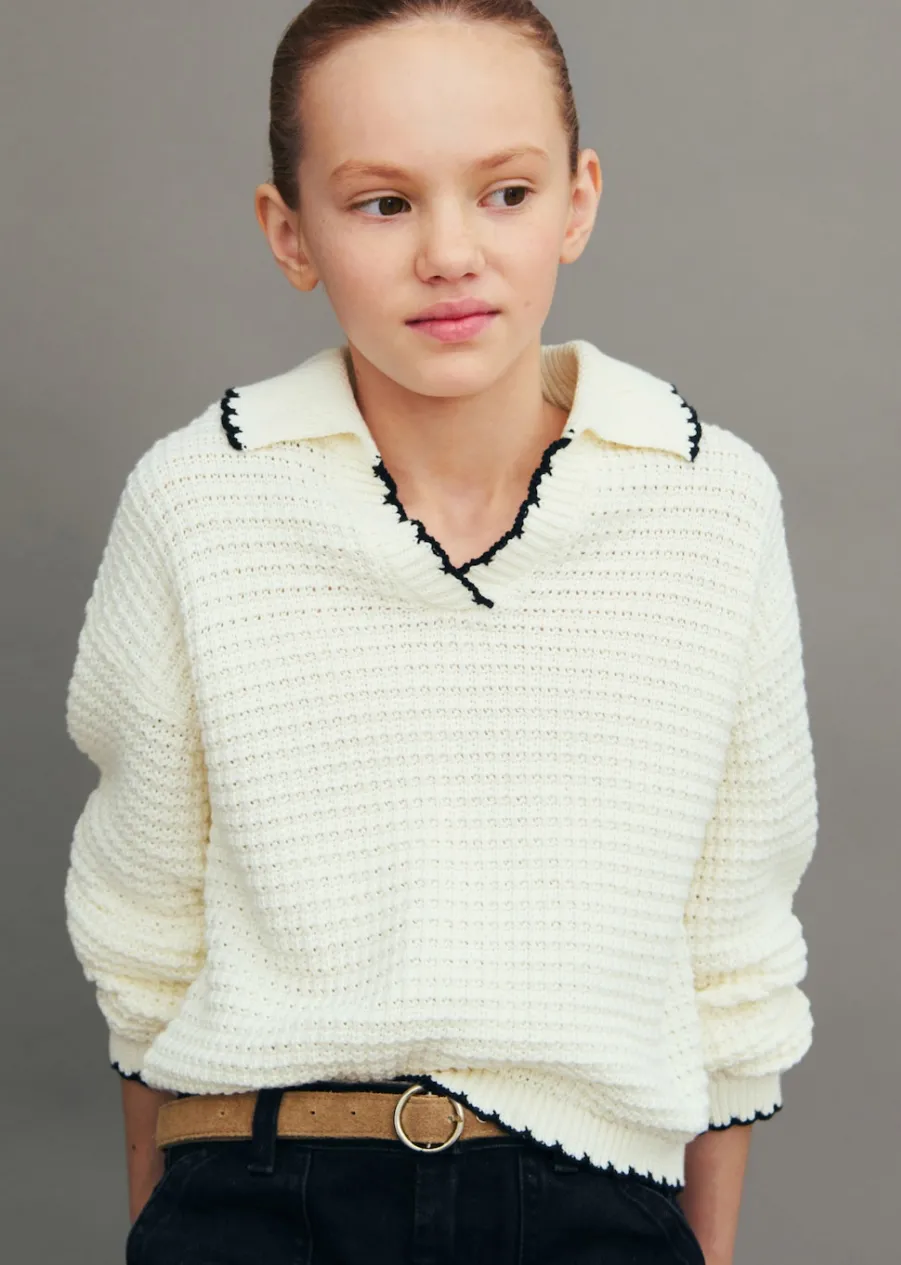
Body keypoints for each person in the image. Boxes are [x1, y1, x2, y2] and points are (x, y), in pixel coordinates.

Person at [62, 2, 819, 1263]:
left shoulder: (708, 501)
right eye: (383, 204)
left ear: (577, 201)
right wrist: (166, 1221)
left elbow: (732, 941)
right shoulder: (198, 498)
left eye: (505, 193)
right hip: (255, 1185)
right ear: (290, 233)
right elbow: (142, 925)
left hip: (593, 1202)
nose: (451, 252)